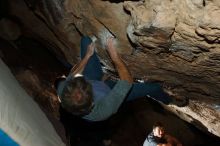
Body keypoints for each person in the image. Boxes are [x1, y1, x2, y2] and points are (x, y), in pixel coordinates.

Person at [55, 36, 187, 146]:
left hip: (96, 80)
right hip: (111, 92)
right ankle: (169, 100)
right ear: (91, 103)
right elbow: (127, 82)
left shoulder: (66, 92)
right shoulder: (102, 112)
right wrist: (114, 56)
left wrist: (88, 56)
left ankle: (99, 79)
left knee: (86, 41)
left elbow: (73, 73)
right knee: (153, 88)